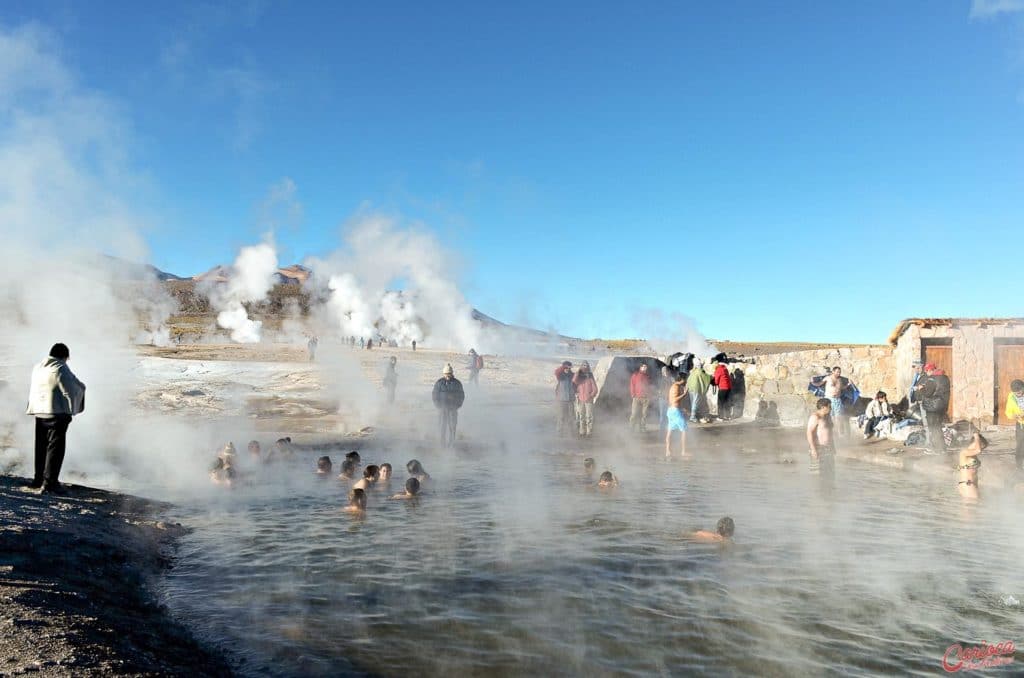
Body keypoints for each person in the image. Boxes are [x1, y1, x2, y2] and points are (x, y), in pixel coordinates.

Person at [25, 343, 86, 494]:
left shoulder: (38, 367)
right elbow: (70, 389)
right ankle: (50, 482)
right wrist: (72, 410)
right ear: (64, 356)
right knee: (55, 449)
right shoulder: (60, 367)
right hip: (56, 413)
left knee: (41, 446)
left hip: (39, 412)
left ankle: (38, 479)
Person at [915, 363, 950, 452]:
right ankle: (942, 448)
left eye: (926, 370)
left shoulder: (932, 379)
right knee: (938, 427)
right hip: (941, 406)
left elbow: (928, 393)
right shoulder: (944, 378)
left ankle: (935, 449)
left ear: (930, 370)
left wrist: (921, 388)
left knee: (933, 428)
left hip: (932, 407)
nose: (926, 372)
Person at [432, 364, 465, 447]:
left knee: (452, 427)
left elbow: (461, 396)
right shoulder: (439, 383)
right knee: (442, 427)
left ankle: (451, 444)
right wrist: (438, 405)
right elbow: (434, 395)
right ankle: (442, 444)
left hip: (452, 409)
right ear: (443, 374)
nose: (448, 375)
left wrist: (457, 405)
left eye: (449, 373)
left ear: (452, 373)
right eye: (446, 374)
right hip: (442, 409)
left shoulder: (457, 383)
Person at [806, 397, 835, 487]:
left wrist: (833, 446)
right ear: (823, 407)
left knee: (830, 472)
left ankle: (829, 492)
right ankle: (817, 494)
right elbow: (809, 433)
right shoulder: (815, 417)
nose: (831, 409)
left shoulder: (828, 416)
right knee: (817, 474)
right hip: (818, 448)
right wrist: (813, 449)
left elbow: (830, 432)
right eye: (829, 407)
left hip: (828, 447)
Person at [956, 431, 987, 499]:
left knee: (974, 507)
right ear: (976, 443)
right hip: (967, 485)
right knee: (973, 507)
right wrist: (976, 436)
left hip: (970, 485)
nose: (982, 449)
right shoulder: (964, 452)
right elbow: (978, 450)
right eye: (982, 447)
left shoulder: (973, 455)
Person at [665, 371, 688, 459]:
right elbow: (674, 399)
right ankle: (683, 452)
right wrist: (684, 394)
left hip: (672, 410)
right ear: (682, 379)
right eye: (685, 379)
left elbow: (672, 400)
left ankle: (668, 451)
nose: (686, 381)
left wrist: (681, 408)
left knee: (670, 430)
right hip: (675, 411)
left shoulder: (675, 386)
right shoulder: (676, 387)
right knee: (684, 430)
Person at [573, 361, 598, 437]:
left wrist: (591, 395)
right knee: (581, 416)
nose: (585, 367)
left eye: (586, 365)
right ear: (581, 366)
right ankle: (582, 431)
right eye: (583, 365)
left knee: (589, 416)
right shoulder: (579, 377)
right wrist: (578, 372)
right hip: (580, 399)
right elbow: (574, 381)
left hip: (589, 400)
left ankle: (589, 432)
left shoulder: (590, 376)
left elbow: (595, 388)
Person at [822, 366, 848, 437]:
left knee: (839, 417)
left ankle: (840, 433)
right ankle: (831, 432)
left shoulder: (840, 380)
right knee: (830, 417)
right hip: (829, 399)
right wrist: (813, 382)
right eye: (837, 372)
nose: (839, 373)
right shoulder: (828, 378)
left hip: (837, 400)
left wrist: (849, 384)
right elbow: (819, 383)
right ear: (833, 371)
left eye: (840, 372)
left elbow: (842, 388)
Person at [1005, 380, 1024, 470]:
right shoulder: (1011, 397)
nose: (1018, 394)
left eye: (1020, 392)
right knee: (1020, 444)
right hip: (1020, 424)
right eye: (1016, 393)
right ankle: (1019, 466)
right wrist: (1013, 415)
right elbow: (1008, 412)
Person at [554, 361, 576, 436]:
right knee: (561, 417)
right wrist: (563, 367)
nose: (568, 369)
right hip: (561, 399)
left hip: (570, 399)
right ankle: (560, 433)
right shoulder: (560, 375)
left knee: (571, 417)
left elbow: (577, 381)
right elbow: (556, 372)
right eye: (566, 367)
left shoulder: (572, 375)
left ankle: (572, 433)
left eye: (569, 368)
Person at [629, 364, 652, 433]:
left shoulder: (648, 376)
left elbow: (650, 386)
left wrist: (650, 396)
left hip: (646, 398)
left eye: (646, 367)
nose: (645, 368)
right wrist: (633, 394)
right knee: (634, 413)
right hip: (637, 397)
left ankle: (642, 427)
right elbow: (632, 385)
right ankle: (631, 427)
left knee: (644, 414)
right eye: (644, 366)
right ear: (640, 367)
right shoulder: (635, 375)